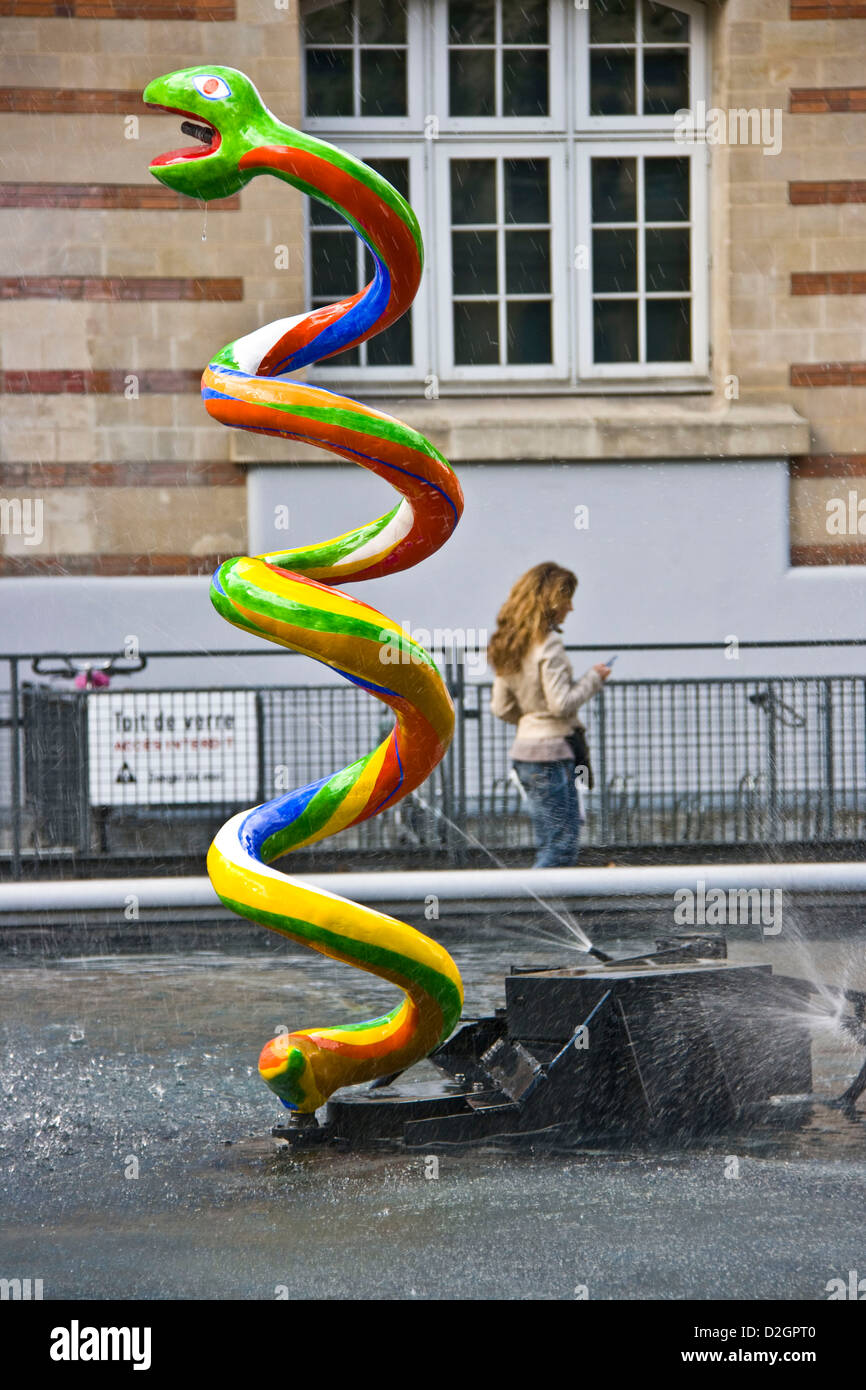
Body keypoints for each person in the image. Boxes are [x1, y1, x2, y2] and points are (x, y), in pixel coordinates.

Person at [488, 562, 611, 868]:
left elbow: (500, 707)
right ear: (551, 601)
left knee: (550, 842)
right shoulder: (549, 645)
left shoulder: (511, 643)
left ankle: (538, 912)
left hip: (525, 754)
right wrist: (593, 679)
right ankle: (532, 913)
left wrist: (532, 721)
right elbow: (561, 705)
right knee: (561, 848)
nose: (571, 607)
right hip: (551, 755)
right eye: (567, 598)